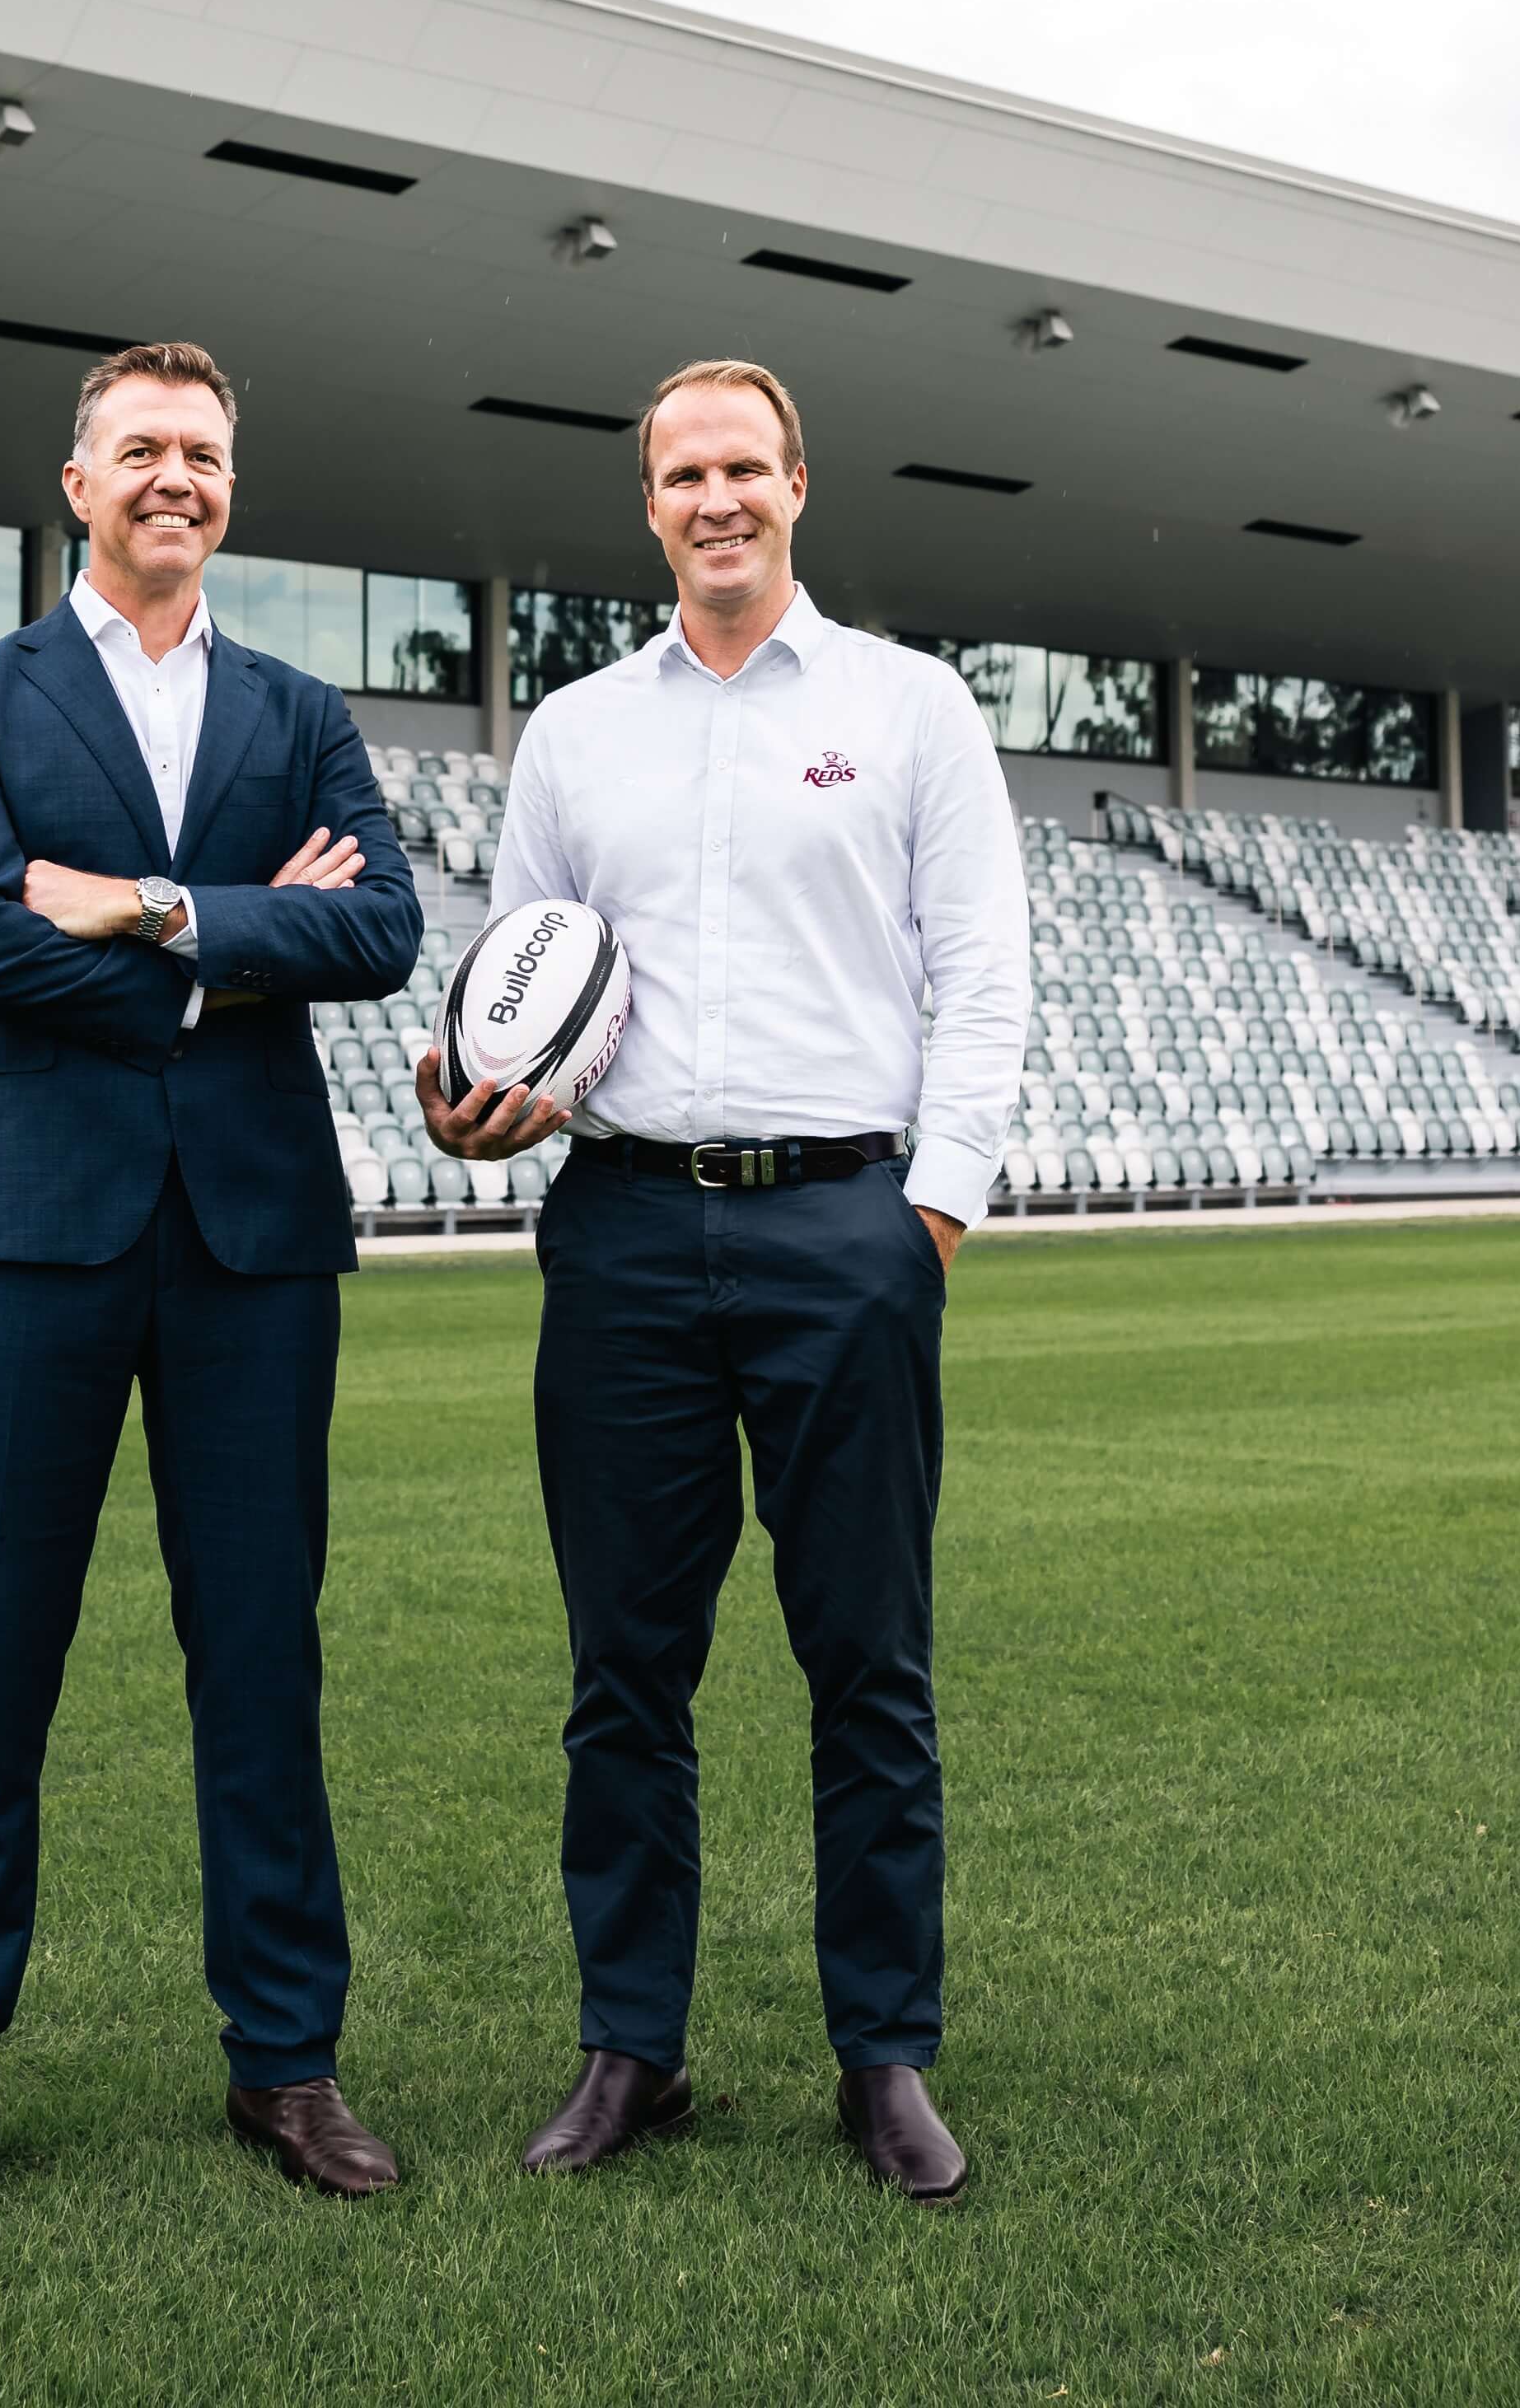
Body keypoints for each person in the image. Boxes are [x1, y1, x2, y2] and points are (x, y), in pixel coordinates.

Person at [422, 356, 1028, 2201]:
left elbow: (979, 979)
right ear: (648, 503)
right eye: (681, 473)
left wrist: (921, 1221)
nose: (714, 499)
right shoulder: (577, 733)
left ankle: (885, 2055)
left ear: (796, 484)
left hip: (842, 1227)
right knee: (623, 1671)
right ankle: (631, 2048)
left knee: (867, 1666)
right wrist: (486, 1104)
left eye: (741, 468)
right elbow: (531, 980)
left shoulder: (908, 706)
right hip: (617, 1234)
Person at [0, 340, 426, 2228]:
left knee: (260, 1659)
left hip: (254, 1242)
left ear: (227, 485)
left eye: (202, 450)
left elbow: (383, 927)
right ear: (76, 479)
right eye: (140, 449)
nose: (173, 474)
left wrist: (145, 902)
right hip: (28, 1229)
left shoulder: (295, 703)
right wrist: (232, 955)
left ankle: (285, 2060)